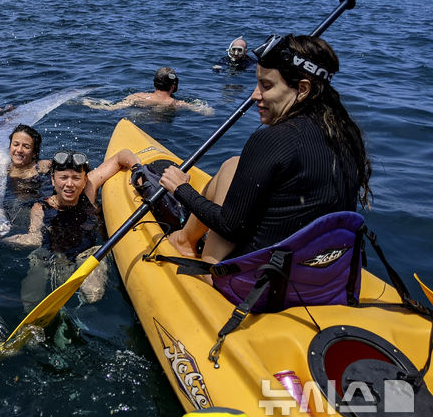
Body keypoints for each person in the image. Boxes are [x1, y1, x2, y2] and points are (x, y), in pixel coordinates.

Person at [160, 34, 372, 267]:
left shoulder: (272, 139)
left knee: (229, 187)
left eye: (266, 86)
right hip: (326, 276)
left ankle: (185, 243)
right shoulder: (345, 133)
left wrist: (182, 190)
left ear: (302, 89)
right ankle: (184, 240)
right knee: (233, 164)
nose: (254, 95)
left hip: (261, 286)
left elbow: (230, 227)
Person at [4, 148, 140, 309]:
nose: (70, 184)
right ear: (53, 180)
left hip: (88, 252)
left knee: (93, 294)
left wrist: (137, 168)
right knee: (32, 294)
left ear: (84, 180)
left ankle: (79, 312)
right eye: (64, 178)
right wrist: (3, 240)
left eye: (76, 178)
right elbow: (34, 236)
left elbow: (121, 155)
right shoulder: (40, 207)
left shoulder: (89, 189)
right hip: (50, 254)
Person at [82, 67, 214, 115]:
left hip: (140, 121)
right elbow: (208, 113)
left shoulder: (137, 97)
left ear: (154, 83)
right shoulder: (178, 104)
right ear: (173, 87)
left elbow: (112, 108)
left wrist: (89, 103)